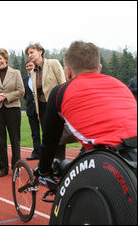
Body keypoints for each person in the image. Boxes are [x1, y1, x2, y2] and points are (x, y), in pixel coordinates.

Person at [36, 41, 137, 177]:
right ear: (100, 68)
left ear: (68, 72)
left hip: (111, 161)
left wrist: (43, 169)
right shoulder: (120, 85)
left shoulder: (59, 92)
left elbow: (50, 141)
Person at [0, 48, 25, 177]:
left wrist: (6, 96)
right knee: (0, 140)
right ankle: (3, 168)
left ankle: (16, 167)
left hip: (13, 108)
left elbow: (21, 91)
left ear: (5, 59)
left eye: (0, 59)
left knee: (15, 138)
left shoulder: (16, 73)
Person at [25, 42, 66, 161]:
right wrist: (38, 112)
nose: (30, 55)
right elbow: (35, 94)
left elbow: (62, 83)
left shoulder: (53, 63)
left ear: (40, 52)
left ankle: (60, 160)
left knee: (58, 134)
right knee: (47, 135)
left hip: (55, 104)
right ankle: (51, 161)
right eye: (28, 54)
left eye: (32, 52)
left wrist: (62, 104)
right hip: (42, 107)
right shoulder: (33, 72)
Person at [23, 60, 41, 160]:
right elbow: (25, 94)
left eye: (31, 65)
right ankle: (37, 152)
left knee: (46, 131)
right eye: (27, 66)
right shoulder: (25, 80)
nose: (29, 67)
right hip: (30, 109)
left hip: (42, 107)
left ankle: (48, 152)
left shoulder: (40, 76)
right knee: (35, 132)